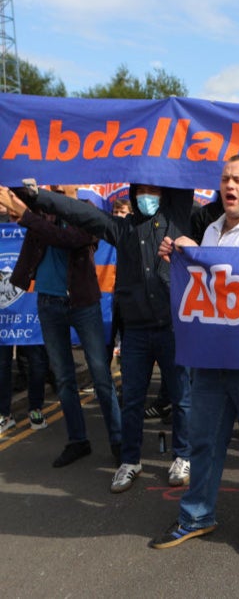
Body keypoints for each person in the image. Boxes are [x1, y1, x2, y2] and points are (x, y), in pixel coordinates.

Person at [149, 154, 239, 564]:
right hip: (212, 359)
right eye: (225, 178)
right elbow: (208, 291)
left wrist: (199, 256)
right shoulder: (212, 228)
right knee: (204, 442)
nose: (229, 185)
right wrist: (179, 262)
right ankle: (197, 516)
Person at [14, 180, 193, 492]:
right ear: (132, 195)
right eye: (140, 191)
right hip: (136, 331)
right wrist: (35, 195)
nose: (146, 197)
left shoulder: (177, 219)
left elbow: (181, 174)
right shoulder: (121, 228)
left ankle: (183, 455)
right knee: (133, 398)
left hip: (170, 327)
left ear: (164, 193)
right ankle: (130, 460)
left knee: (181, 397)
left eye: (153, 190)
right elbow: (80, 212)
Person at [0, 184, 123, 468]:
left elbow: (67, 239)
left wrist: (26, 215)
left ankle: (119, 442)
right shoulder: (41, 209)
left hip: (83, 304)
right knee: (64, 379)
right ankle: (77, 440)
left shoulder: (89, 213)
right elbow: (26, 198)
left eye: (62, 178)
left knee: (101, 378)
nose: (55, 183)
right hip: (48, 304)